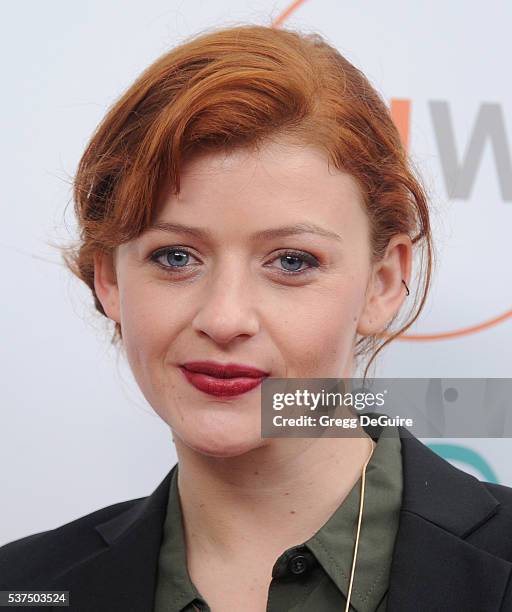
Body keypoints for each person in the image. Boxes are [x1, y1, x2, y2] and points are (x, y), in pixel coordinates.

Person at [1, 23, 512, 612]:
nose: (224, 318)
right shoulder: (26, 586)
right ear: (109, 277)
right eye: (175, 257)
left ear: (383, 282)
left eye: (292, 261)